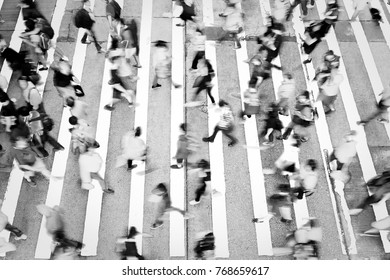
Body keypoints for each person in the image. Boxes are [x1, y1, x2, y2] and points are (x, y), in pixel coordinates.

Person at [104, 39, 136, 111]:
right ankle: (130, 102)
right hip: (118, 81)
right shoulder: (118, 57)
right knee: (125, 92)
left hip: (117, 80)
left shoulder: (113, 66)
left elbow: (108, 56)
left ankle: (109, 104)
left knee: (119, 94)